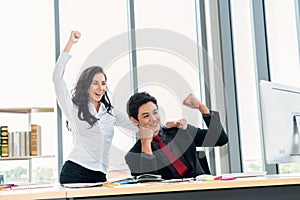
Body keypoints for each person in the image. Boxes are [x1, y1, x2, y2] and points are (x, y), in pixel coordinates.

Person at [53, 31, 137, 184]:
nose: (100, 88)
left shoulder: (111, 114)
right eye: (95, 83)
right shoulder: (73, 108)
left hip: (100, 175)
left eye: (103, 83)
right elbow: (57, 78)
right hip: (75, 171)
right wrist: (70, 43)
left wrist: (166, 125)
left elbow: (138, 125)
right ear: (86, 87)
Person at [125, 92, 228, 180]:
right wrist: (146, 144)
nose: (153, 119)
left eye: (155, 112)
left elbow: (220, 139)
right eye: (146, 116)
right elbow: (149, 185)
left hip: (200, 192)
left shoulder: (180, 131)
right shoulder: (133, 155)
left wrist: (202, 108)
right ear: (134, 120)